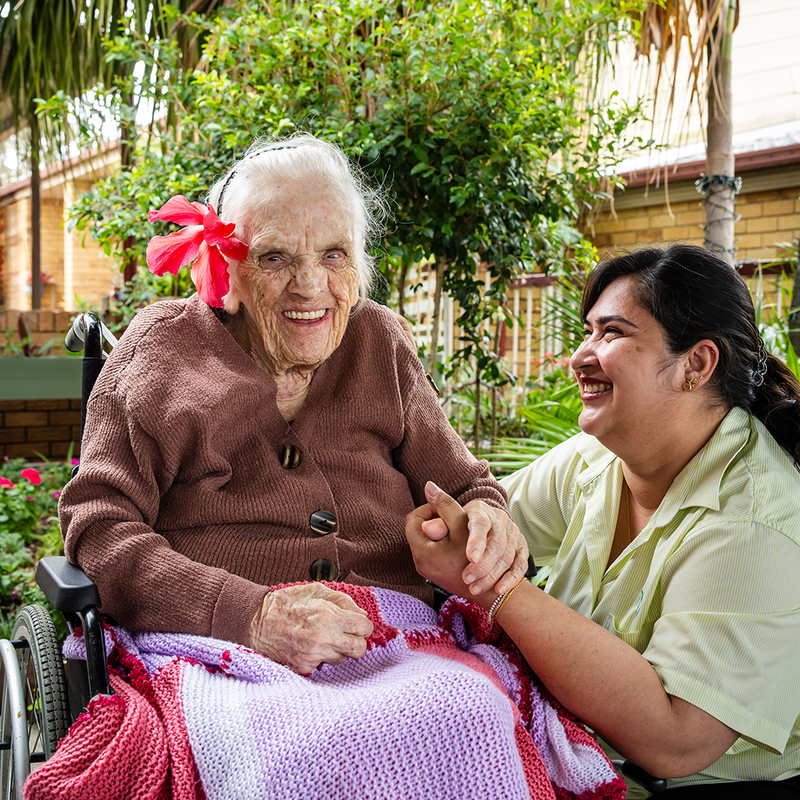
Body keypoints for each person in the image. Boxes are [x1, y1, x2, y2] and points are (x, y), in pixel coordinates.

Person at [58, 134, 527, 676]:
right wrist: (247, 614)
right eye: (275, 257)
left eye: (334, 254)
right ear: (226, 271)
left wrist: (488, 517)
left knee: (465, 716)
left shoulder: (379, 342)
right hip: (220, 646)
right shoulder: (162, 354)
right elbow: (99, 525)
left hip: (399, 638)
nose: (309, 285)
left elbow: (465, 487)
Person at [406, 243, 800, 799]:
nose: (581, 356)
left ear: (697, 364)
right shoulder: (597, 461)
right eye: (587, 332)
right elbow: (478, 526)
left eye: (611, 334)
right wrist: (458, 524)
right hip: (572, 752)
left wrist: (497, 586)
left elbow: (677, 740)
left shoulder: (756, 523)